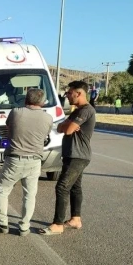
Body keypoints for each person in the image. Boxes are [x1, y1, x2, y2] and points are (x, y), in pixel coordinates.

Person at [0, 89, 52, 236]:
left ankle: (2, 224)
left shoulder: (16, 112)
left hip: (14, 159)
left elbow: (8, 126)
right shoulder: (48, 118)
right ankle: (24, 227)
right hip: (35, 161)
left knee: (3, 190)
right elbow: (45, 134)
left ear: (26, 100)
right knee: (29, 195)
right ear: (42, 102)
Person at [40, 80, 97, 235]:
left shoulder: (86, 110)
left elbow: (69, 130)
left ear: (78, 93)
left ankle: (58, 224)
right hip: (72, 154)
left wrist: (68, 126)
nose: (67, 95)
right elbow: (60, 127)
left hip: (78, 155)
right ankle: (75, 219)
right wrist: (67, 126)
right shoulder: (76, 111)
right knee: (75, 187)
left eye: (69, 93)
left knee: (62, 187)